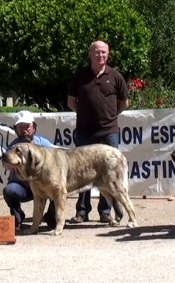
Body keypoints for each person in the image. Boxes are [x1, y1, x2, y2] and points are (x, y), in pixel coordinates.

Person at [67, 40, 129, 224]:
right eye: (97, 52)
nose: (100, 55)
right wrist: (84, 114)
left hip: (109, 132)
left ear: (108, 54)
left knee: (109, 173)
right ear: (90, 54)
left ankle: (105, 211)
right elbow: (71, 101)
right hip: (85, 132)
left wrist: (110, 116)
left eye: (103, 52)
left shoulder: (116, 76)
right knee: (81, 172)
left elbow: (124, 103)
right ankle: (82, 211)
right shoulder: (81, 76)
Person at [2, 110, 56, 230]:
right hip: (23, 188)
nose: (24, 130)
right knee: (9, 190)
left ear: (34, 127)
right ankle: (17, 218)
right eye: (20, 127)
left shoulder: (44, 144)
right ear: (15, 129)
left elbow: (55, 161)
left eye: (27, 126)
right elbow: (6, 163)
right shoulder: (12, 147)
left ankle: (51, 217)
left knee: (58, 187)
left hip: (43, 187)